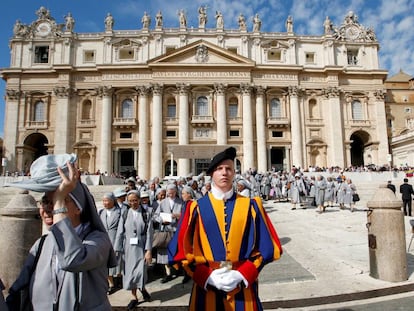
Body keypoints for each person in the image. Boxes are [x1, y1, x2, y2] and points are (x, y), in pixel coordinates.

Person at [168, 147, 282, 310]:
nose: (224, 173)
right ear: (212, 174)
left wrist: (243, 273)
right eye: (219, 169)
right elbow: (181, 249)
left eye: (228, 168)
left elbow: (267, 247)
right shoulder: (195, 208)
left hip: (243, 287)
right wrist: (205, 276)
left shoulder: (251, 206)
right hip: (207, 286)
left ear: (234, 173)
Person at [6, 153, 117, 310]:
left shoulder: (98, 241)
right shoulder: (42, 244)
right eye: (45, 202)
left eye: (56, 201)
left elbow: (72, 259)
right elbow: (18, 289)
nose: (47, 209)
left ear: (79, 208)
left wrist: (58, 202)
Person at [123, 190, 153, 309]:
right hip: (129, 248)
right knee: (130, 273)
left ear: (139, 200)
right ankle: (134, 296)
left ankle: (142, 288)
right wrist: (117, 248)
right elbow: (121, 232)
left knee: (141, 271)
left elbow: (150, 233)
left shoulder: (146, 213)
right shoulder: (125, 213)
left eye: (135, 200)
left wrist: (149, 250)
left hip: (141, 246)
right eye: (130, 201)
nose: (133, 203)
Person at [153, 183, 183, 283]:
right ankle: (168, 273)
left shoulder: (180, 202)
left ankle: (178, 269)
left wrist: (178, 216)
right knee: (164, 252)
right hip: (165, 230)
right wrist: (161, 220)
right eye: (168, 192)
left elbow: (185, 216)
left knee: (176, 251)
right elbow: (155, 216)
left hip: (176, 230)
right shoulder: (162, 203)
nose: (170, 194)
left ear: (175, 192)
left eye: (172, 192)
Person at [99, 192, 125, 294]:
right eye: (104, 201)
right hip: (104, 240)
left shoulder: (120, 212)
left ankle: (119, 277)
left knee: (118, 261)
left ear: (112, 201)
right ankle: (111, 284)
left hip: (115, 238)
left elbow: (120, 229)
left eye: (107, 201)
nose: (105, 203)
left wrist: (118, 243)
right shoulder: (101, 212)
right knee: (106, 263)